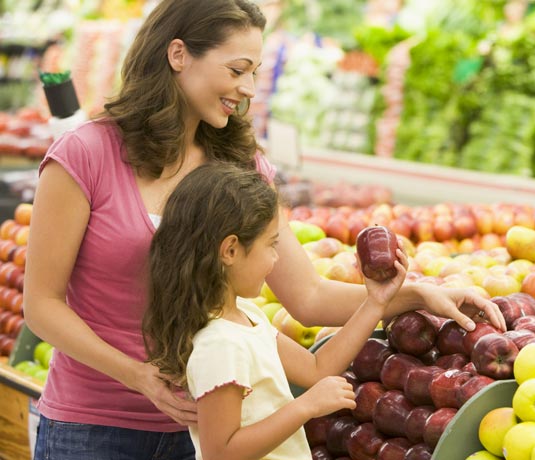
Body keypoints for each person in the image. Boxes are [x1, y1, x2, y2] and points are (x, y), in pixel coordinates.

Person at [22, 0, 503, 458]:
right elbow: (42, 305)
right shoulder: (85, 154)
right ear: (178, 54)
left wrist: (418, 294)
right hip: (92, 429)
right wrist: (138, 376)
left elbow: (308, 296)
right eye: (237, 70)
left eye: (254, 71)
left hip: (214, 431)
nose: (250, 88)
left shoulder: (243, 168)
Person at [143, 163, 406, 459]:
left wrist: (376, 303)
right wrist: (305, 407)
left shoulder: (246, 316)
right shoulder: (220, 344)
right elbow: (221, 452)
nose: (276, 258)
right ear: (230, 251)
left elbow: (317, 368)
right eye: (270, 245)